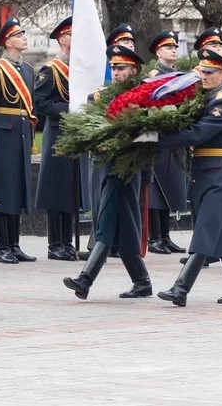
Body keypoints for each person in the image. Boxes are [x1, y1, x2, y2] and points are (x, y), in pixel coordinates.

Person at [156, 48, 222, 306]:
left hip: (220, 173)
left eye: (210, 72)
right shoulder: (211, 97)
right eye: (202, 71)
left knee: (205, 231)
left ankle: (181, 288)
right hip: (208, 171)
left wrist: (158, 139)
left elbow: (199, 133)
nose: (204, 76)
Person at [63, 45, 154, 300]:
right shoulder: (99, 97)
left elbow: (151, 133)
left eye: (121, 68)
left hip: (128, 166)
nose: (115, 72)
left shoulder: (144, 96)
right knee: (124, 230)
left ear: (134, 69)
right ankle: (142, 282)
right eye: (113, 67)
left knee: (106, 221)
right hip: (106, 165)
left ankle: (85, 279)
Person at [0, 18, 37, 264]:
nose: (24, 37)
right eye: (19, 35)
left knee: (16, 190)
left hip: (22, 134)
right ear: (7, 41)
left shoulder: (27, 69)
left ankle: (15, 244)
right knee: (2, 190)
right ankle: (2, 246)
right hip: (2, 135)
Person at [34, 16, 84, 260]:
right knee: (57, 188)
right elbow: (40, 103)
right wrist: (68, 109)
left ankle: (67, 241)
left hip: (74, 133)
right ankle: (55, 243)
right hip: (57, 132)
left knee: (70, 187)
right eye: (73, 35)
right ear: (62, 38)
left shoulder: (78, 69)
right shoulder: (50, 70)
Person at [146, 30, 189, 255]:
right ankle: (155, 237)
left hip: (175, 137)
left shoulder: (178, 74)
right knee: (157, 187)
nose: (173, 50)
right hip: (160, 136)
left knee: (170, 186)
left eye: (174, 46)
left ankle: (165, 235)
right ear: (158, 51)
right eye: (168, 47)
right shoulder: (155, 75)